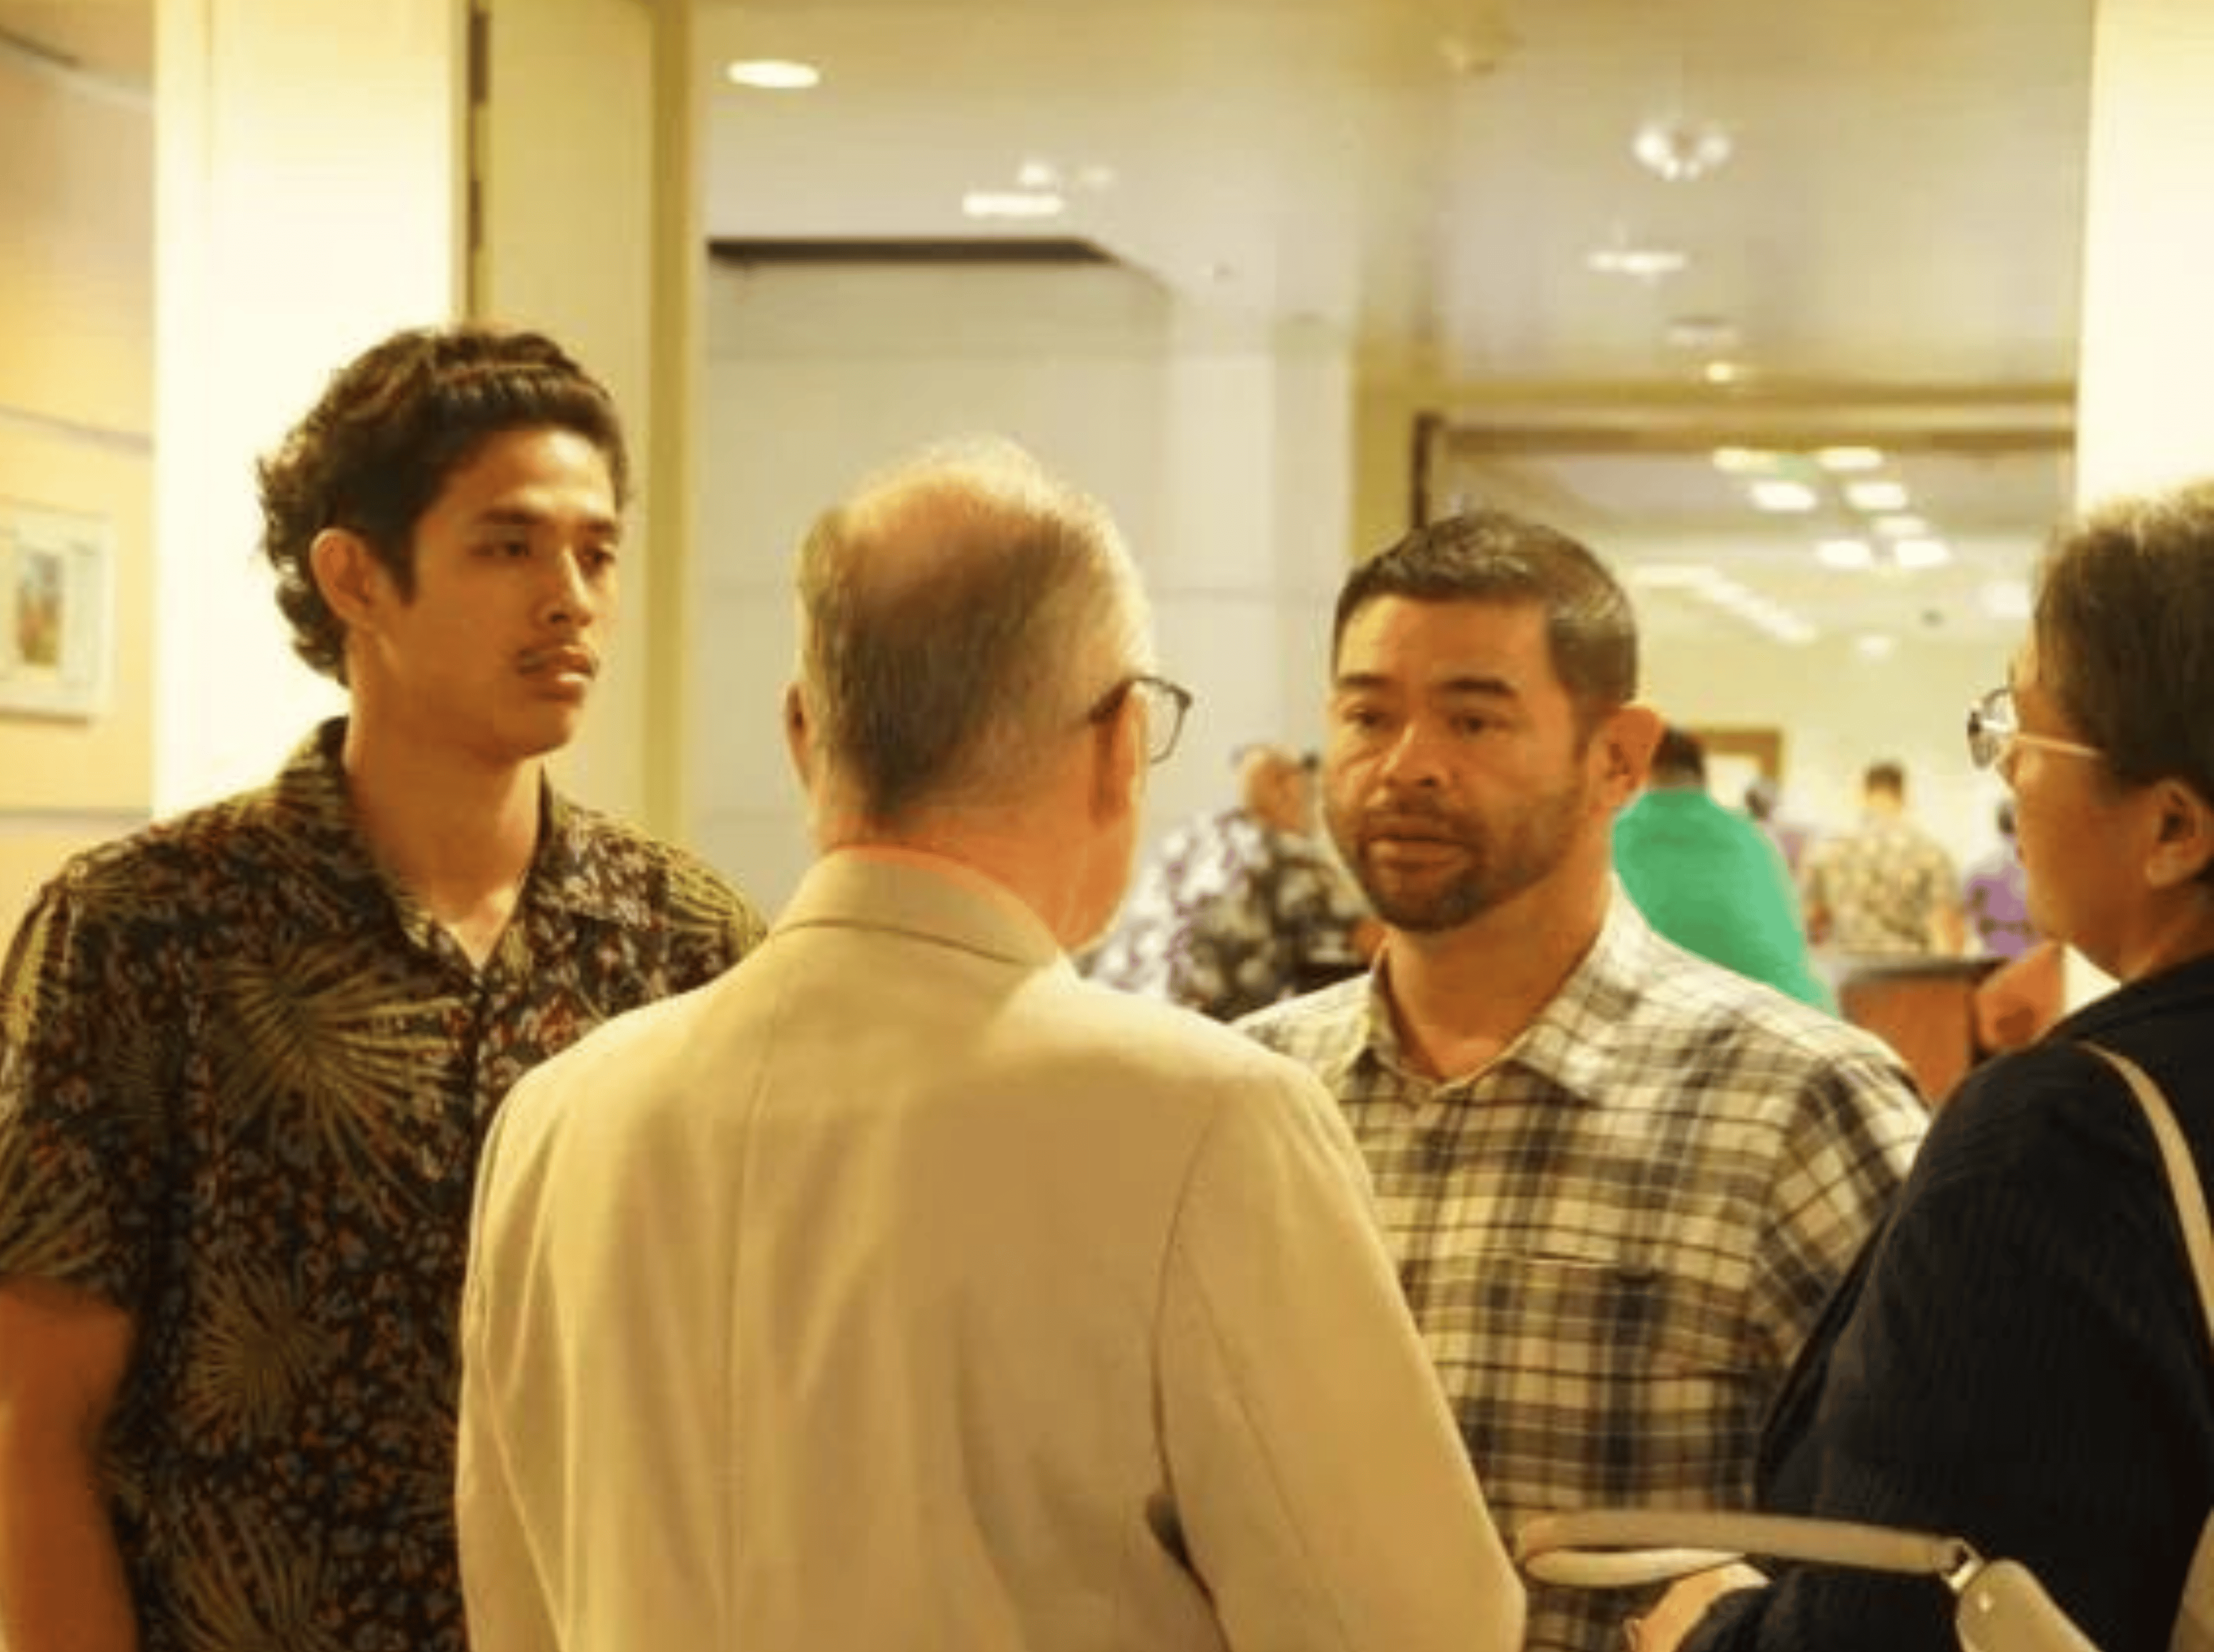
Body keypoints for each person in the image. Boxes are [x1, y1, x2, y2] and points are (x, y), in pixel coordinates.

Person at [457, 440, 1523, 1651]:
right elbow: (1407, 1630)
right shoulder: (1203, 1120)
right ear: (1123, 742)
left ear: (806, 735)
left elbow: (513, 1606)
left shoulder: (559, 1115)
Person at [0, 325, 765, 1652]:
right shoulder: (146, 930)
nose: (569, 595)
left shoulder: (679, 940)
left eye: (596, 550)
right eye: (508, 546)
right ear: (357, 577)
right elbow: (33, 1427)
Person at [1236, 509, 1928, 1652]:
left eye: (1472, 718)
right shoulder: (1253, 1092)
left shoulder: (1798, 1106)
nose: (1406, 763)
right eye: (1368, 715)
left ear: (1617, 756)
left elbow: (1916, 1546)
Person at [1643, 480, 2214, 1652]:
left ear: (2174, 829)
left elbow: (1900, 1619)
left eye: (2025, 734)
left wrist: (1707, 1629)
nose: (2007, 776)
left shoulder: (2066, 1142)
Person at [1084, 741, 1382, 1017]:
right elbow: (1381, 947)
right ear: (1286, 787)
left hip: (1108, 1021)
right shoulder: (1285, 853)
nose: (1314, 810)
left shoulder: (1183, 840)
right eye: (1311, 793)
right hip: (1191, 1043)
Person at [1613, 724, 1833, 1010]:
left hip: (1695, 1026)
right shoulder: (1752, 837)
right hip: (1810, 1020)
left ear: (1637, 775)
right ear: (1703, 778)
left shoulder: (1616, 836)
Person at [1799, 759, 1968, 955]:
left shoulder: (1826, 851)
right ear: (1903, 794)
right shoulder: (1930, 853)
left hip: (1844, 976)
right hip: (1909, 974)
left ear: (1864, 793)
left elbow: (1812, 924)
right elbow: (1947, 930)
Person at [1963, 796, 2041, 958]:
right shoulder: (2038, 865)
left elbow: (1970, 915)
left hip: (1993, 958)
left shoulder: (1980, 869)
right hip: (2035, 956)